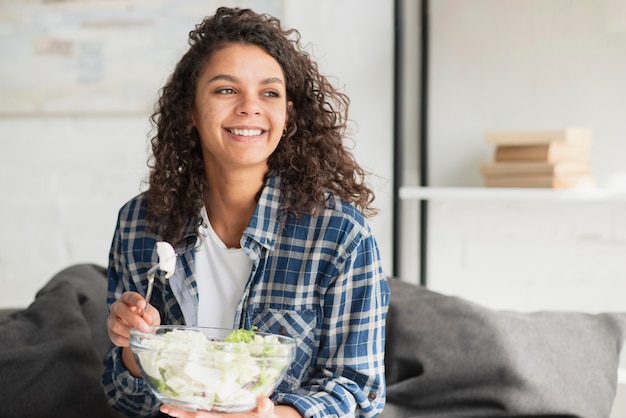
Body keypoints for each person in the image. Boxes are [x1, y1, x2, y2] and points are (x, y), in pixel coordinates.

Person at [103, 6, 390, 418]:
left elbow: (359, 390)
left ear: (287, 114)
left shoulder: (341, 234)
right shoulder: (140, 223)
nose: (250, 107)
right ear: (189, 111)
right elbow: (123, 397)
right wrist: (135, 348)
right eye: (226, 90)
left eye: (269, 93)